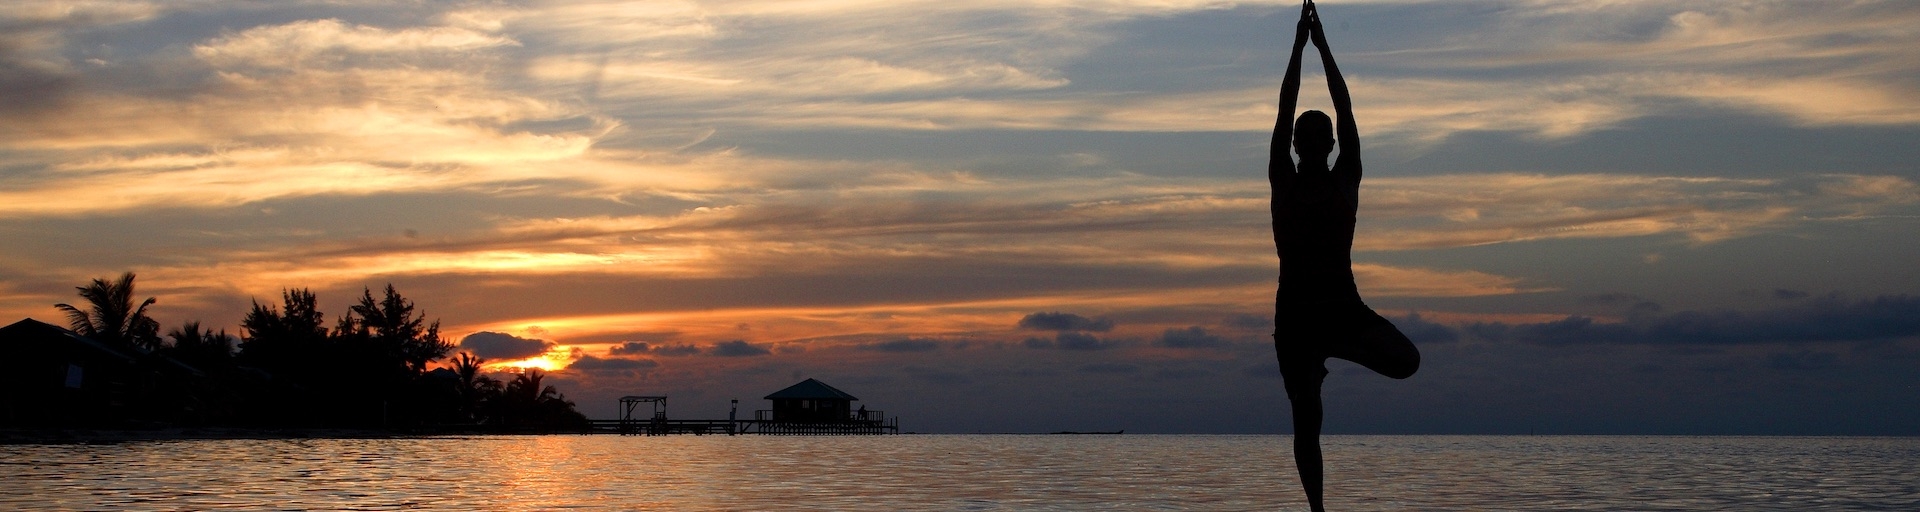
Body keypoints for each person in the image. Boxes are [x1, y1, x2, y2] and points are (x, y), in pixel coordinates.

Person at [1269, 2, 1421, 511]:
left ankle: (1333, 349)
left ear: (1331, 145)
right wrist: (1296, 47)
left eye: (1320, 137)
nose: (1312, 143)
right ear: (1295, 145)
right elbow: (1286, 102)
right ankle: (1318, 511)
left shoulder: (1345, 180)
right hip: (1295, 317)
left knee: (1407, 361)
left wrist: (1322, 47)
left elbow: (1347, 108)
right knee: (1306, 422)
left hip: (1341, 308)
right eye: (1304, 137)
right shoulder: (1282, 182)